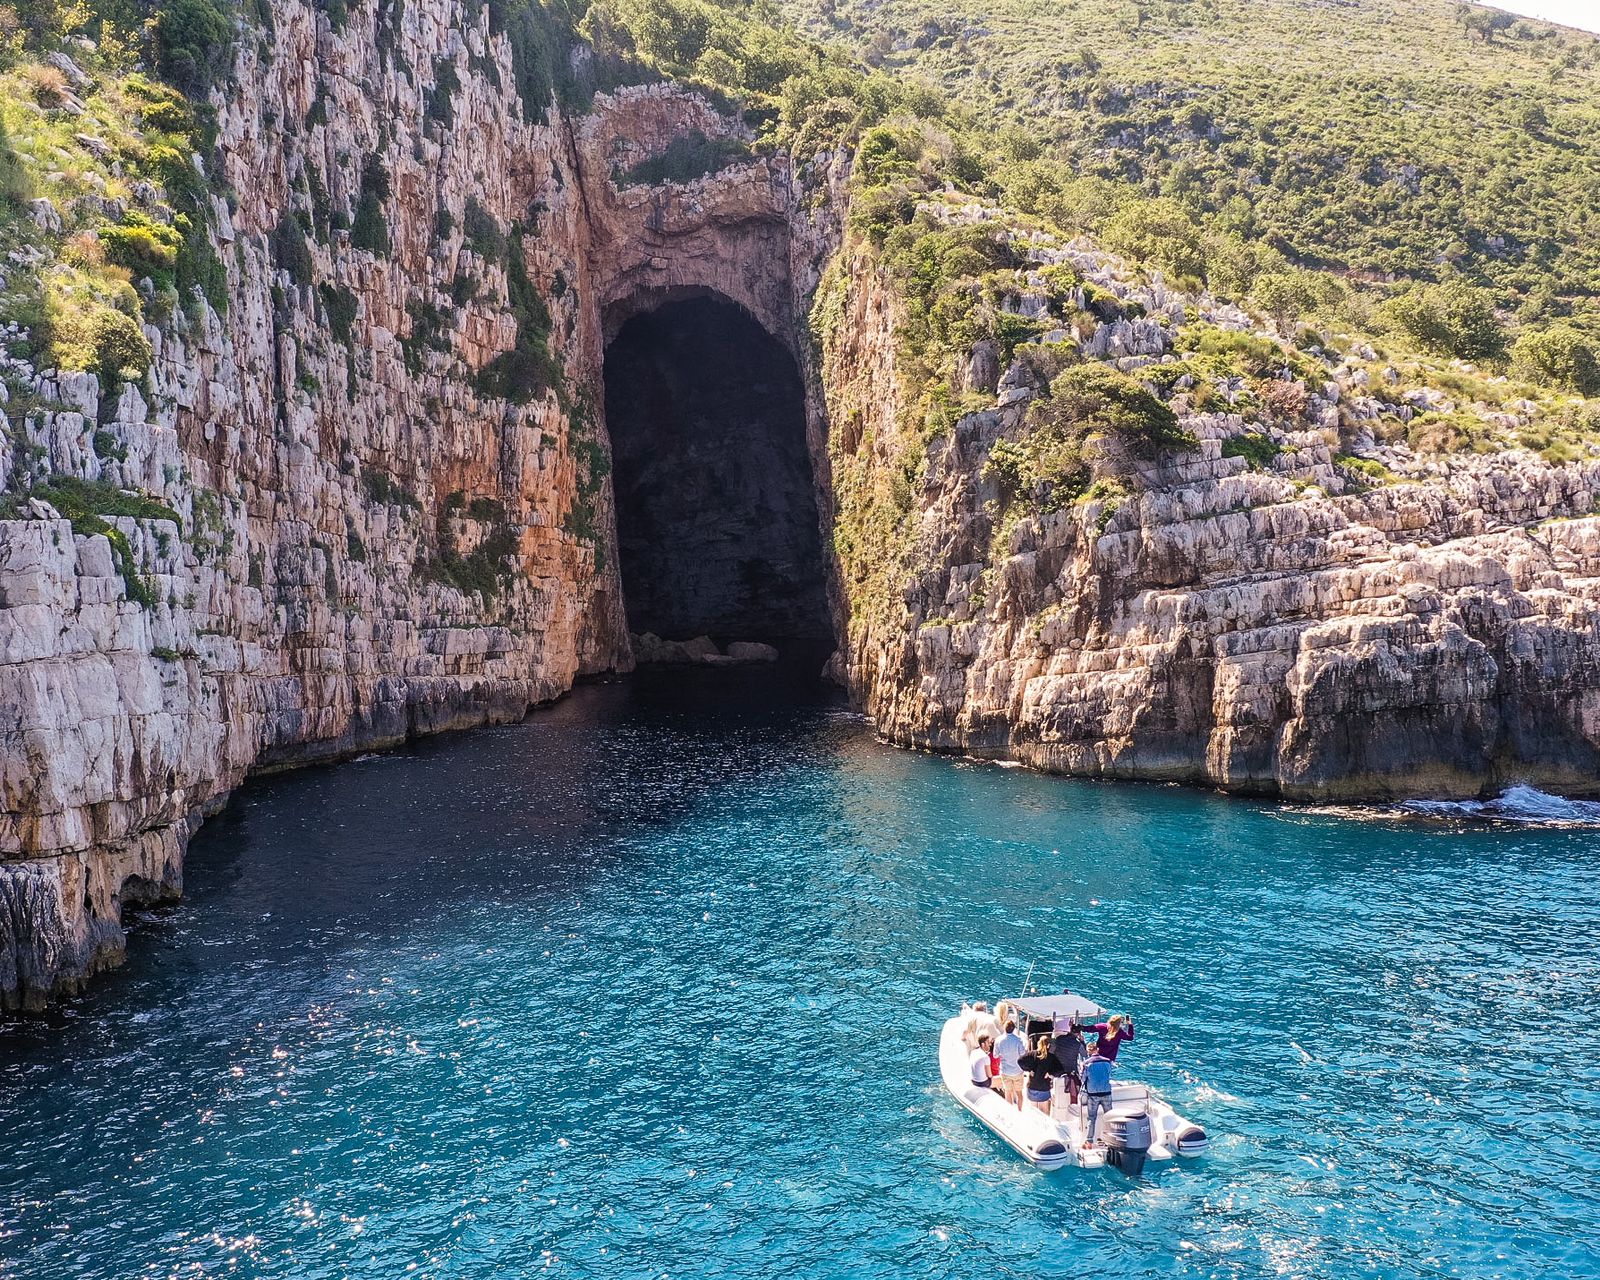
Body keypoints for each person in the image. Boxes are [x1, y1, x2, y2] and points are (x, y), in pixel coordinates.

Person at [1081, 1043, 1115, 1148]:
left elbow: (1083, 1079)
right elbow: (1109, 1074)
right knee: (1110, 1117)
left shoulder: (1086, 1063)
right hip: (1106, 1092)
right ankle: (1112, 1139)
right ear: (1098, 1049)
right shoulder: (1107, 1061)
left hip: (1093, 1094)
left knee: (1091, 1118)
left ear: (1088, 1051)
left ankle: (1089, 1142)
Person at [1016, 1034, 1058, 1115]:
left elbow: (1020, 1061)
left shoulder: (1032, 1054)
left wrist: (1029, 1070)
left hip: (1032, 1086)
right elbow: (1059, 1070)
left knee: (1034, 1112)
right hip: (1044, 1087)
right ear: (1048, 1045)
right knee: (1044, 1112)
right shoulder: (1051, 1057)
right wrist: (1050, 1073)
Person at [1050, 1020, 1086, 1106]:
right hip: (1071, 1071)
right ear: (1078, 1033)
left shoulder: (1058, 1039)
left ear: (1070, 1030)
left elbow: (1051, 1052)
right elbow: (1084, 1054)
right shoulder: (1078, 1044)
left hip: (1057, 1069)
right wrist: (1082, 1041)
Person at [994, 1019, 1026, 1107]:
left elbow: (995, 1055)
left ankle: (1010, 1111)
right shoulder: (1018, 1040)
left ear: (1004, 1028)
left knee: (1008, 1093)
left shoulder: (998, 1040)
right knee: (1019, 1094)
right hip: (1017, 1071)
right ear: (1014, 1028)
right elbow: (1023, 1054)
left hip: (1005, 1071)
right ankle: (1019, 1110)